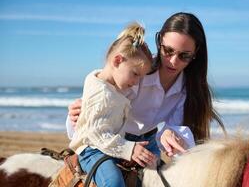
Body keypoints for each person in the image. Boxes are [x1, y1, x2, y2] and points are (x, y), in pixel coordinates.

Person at [66, 12, 225, 159]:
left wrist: (168, 133)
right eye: (168, 51)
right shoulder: (135, 69)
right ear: (159, 40)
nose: (173, 61)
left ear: (195, 53)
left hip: (149, 142)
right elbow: (99, 96)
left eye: (184, 56)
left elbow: (175, 128)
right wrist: (76, 116)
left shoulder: (189, 89)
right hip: (114, 139)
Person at [69, 22, 156, 187]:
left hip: (108, 147)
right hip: (92, 150)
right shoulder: (102, 93)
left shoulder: (111, 87)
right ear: (117, 61)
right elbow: (96, 133)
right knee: (113, 182)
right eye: (135, 74)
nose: (136, 82)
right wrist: (129, 149)